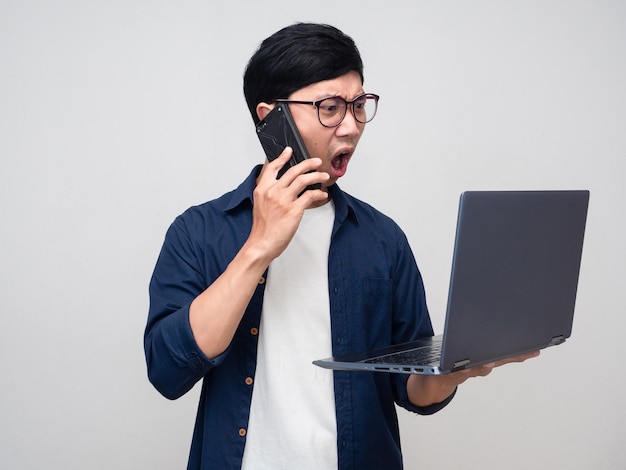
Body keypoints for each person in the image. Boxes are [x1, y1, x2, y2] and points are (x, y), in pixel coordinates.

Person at [144, 23, 538, 470]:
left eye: (359, 105)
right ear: (269, 117)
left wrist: (458, 369)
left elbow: (412, 389)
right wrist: (259, 246)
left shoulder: (383, 239)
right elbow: (167, 371)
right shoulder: (197, 231)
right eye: (330, 107)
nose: (351, 127)